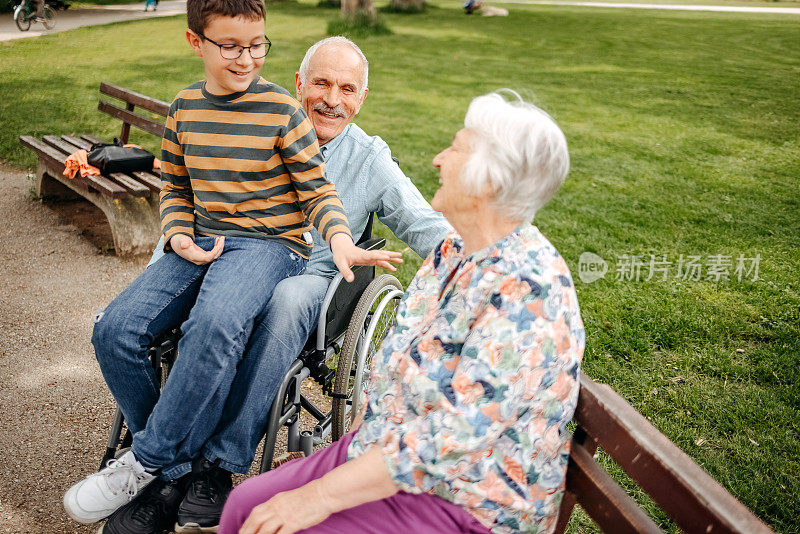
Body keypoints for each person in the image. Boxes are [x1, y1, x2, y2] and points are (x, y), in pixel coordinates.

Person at [62, 2, 401, 534]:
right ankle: (173, 466)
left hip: (272, 247)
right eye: (232, 46)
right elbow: (174, 184)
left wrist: (339, 238)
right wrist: (175, 234)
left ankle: (149, 461)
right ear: (196, 42)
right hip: (201, 239)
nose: (246, 59)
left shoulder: (289, 116)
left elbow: (318, 191)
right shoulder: (184, 108)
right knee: (115, 330)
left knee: (216, 325)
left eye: (257, 45)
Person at [218, 91, 586, 534]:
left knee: (276, 524)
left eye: (456, 148)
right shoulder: (454, 250)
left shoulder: (529, 290)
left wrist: (318, 496)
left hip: (465, 500)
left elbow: (453, 438)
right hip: (389, 449)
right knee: (244, 504)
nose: (437, 159)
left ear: (488, 181)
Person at [141, 34, 452, 530]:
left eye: (347, 88)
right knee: (168, 317)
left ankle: (220, 464)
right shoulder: (253, 129)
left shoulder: (369, 159)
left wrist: (486, 261)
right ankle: (164, 459)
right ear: (298, 83)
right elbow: (193, 206)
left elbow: (425, 226)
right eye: (322, 83)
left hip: (310, 278)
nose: (333, 99)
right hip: (235, 263)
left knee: (285, 300)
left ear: (362, 98)